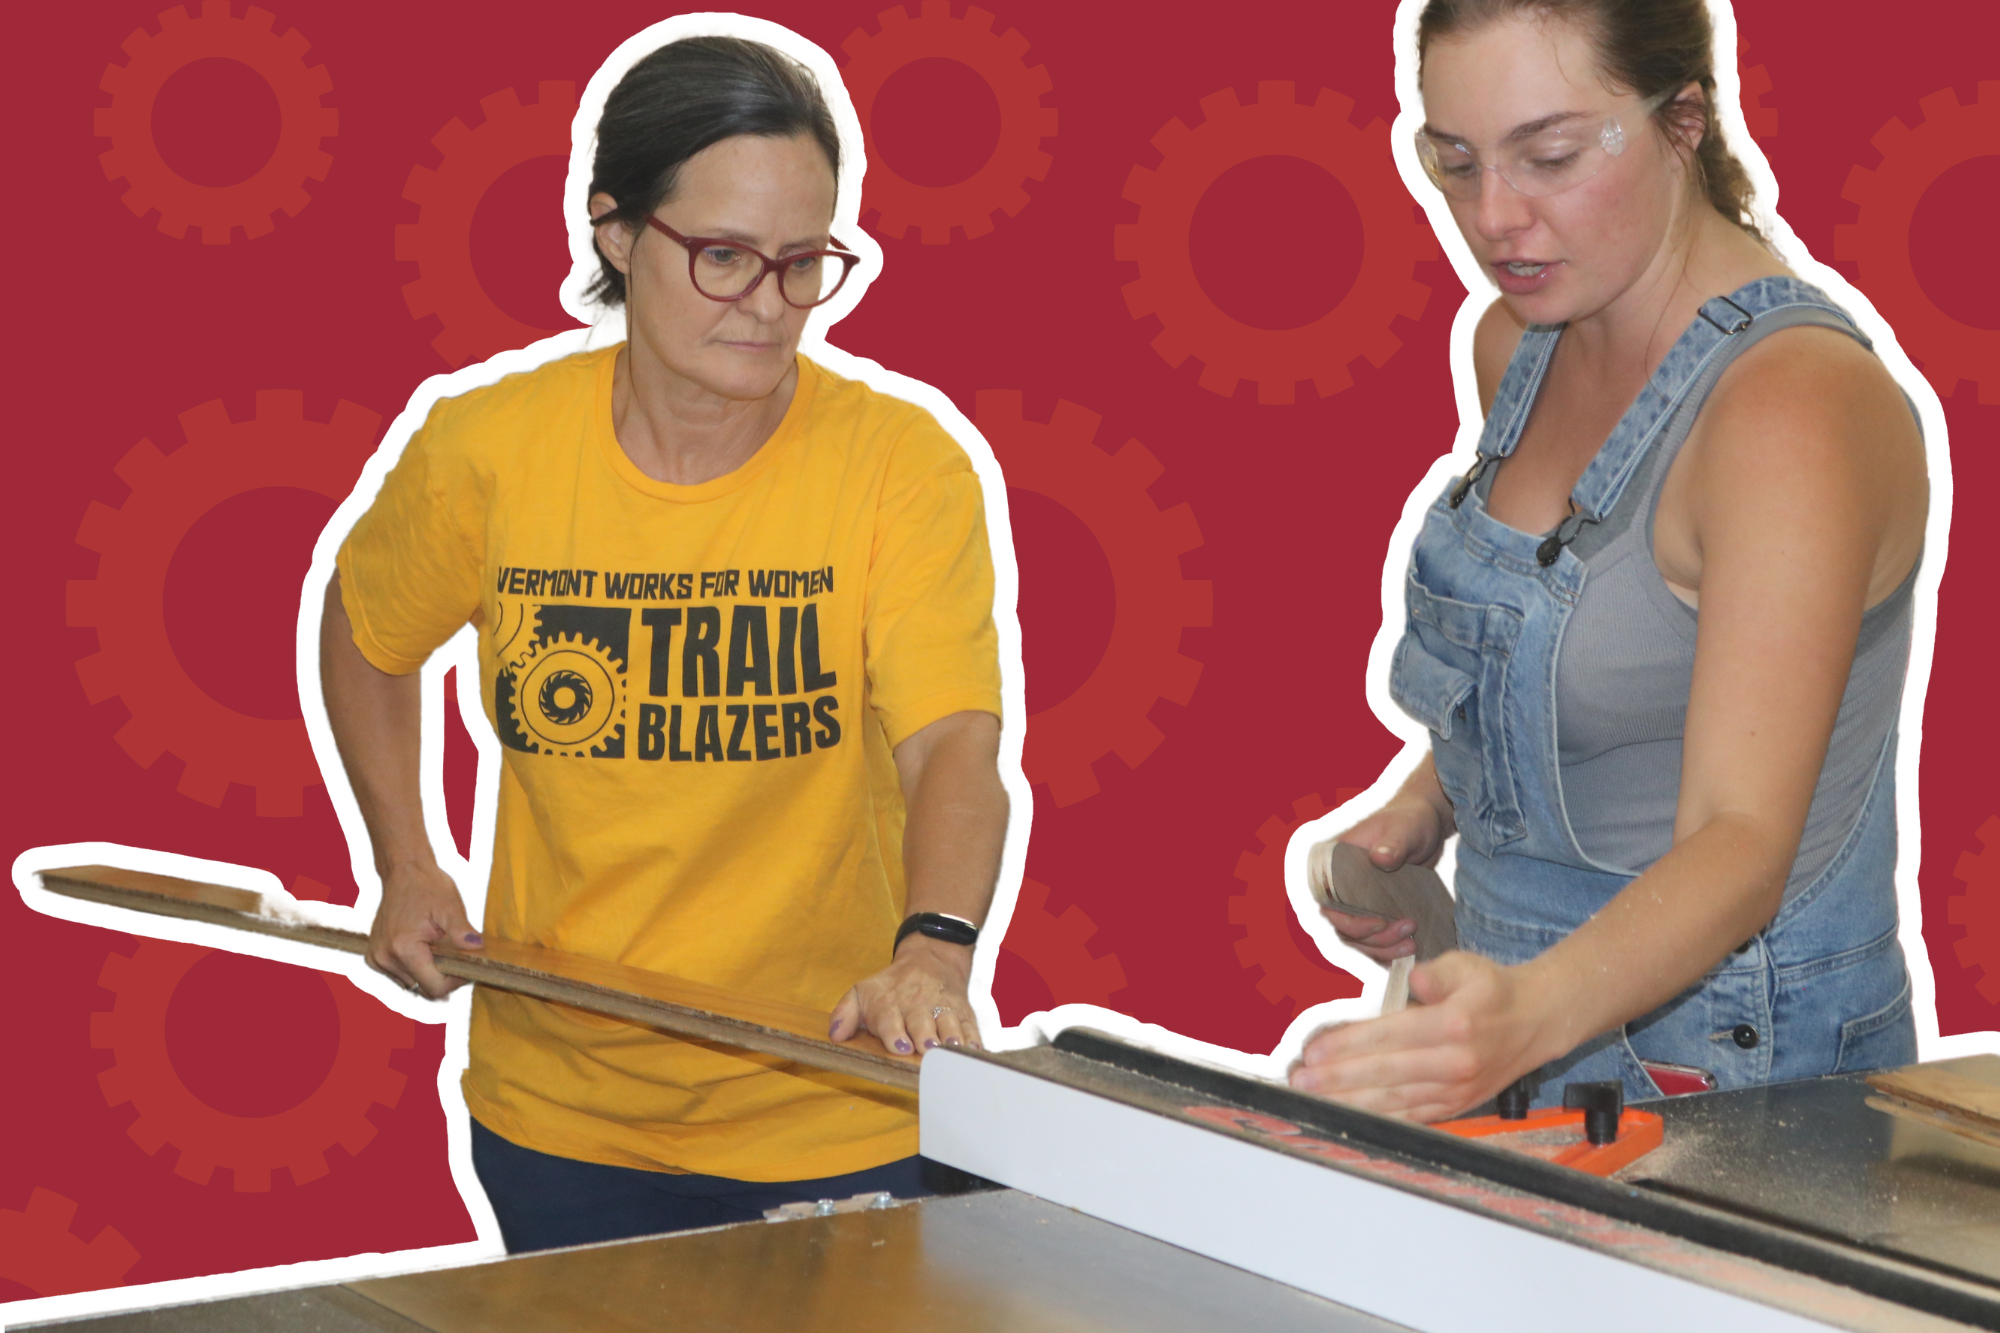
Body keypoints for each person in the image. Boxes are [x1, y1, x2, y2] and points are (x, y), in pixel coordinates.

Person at [320, 35, 1009, 1251]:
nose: (768, 306)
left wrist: (932, 951)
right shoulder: (486, 449)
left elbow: (950, 737)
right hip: (560, 1113)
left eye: (805, 264)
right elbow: (366, 634)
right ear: (616, 232)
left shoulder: (901, 465)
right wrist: (406, 862)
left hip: (836, 1096)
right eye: (725, 257)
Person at [1291, 0, 1928, 1122]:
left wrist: (1518, 1020)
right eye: (1453, 161)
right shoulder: (1519, 345)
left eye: (1548, 155)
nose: (1493, 217)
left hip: (1733, 1066)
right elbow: (1604, 668)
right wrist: (1429, 803)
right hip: (1517, 1018)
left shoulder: (1791, 409)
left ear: (1681, 119)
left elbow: (1740, 843)